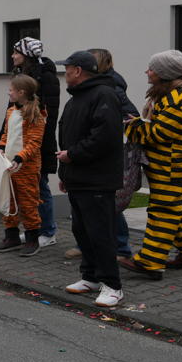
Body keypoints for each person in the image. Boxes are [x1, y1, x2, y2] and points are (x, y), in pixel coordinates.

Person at [121, 50, 182, 277]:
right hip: (169, 164)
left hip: (174, 166)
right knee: (174, 210)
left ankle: (150, 262)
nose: (147, 72)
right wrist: (140, 123)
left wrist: (130, 126)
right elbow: (158, 126)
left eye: (152, 69)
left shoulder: (178, 98)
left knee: (163, 211)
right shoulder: (170, 94)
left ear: (164, 73)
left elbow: (158, 132)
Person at [56, 51, 125, 308]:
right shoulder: (75, 99)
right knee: (82, 230)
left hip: (98, 179)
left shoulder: (103, 95)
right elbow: (67, 137)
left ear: (79, 70)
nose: (65, 73)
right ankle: (91, 277)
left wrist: (73, 156)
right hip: (78, 177)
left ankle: (113, 285)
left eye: (68, 68)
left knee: (100, 233)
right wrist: (66, 173)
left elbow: (104, 137)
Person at [89, 48, 139, 261]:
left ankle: (121, 248)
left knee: (110, 202)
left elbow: (132, 116)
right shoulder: (100, 85)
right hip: (97, 151)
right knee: (96, 202)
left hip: (108, 153)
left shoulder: (112, 87)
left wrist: (109, 130)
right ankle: (95, 246)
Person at [9, 39, 60, 247]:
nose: (12, 56)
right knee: (27, 189)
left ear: (26, 54)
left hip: (37, 141)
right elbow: (11, 109)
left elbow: (50, 112)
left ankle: (48, 232)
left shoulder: (45, 76)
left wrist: (37, 140)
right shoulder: (22, 75)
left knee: (40, 186)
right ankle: (34, 229)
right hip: (19, 139)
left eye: (15, 52)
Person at [0, 74, 48, 256]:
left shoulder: (36, 114)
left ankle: (32, 239)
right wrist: (1, 147)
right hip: (8, 166)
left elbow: (34, 143)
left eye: (11, 90)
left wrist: (19, 158)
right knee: (9, 201)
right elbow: (6, 134)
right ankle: (12, 236)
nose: (9, 92)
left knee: (28, 203)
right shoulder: (11, 111)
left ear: (21, 92)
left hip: (26, 168)